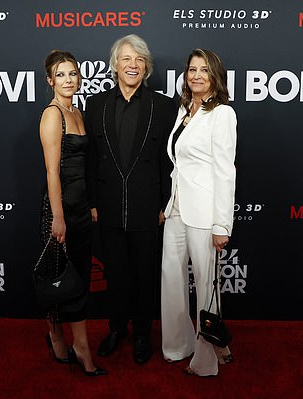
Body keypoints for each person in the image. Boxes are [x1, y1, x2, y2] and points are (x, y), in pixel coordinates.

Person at [85, 34, 177, 364]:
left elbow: (171, 161)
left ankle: (141, 334)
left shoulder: (164, 106)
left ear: (147, 67)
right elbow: (91, 159)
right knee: (117, 274)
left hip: (147, 207)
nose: (133, 65)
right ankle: (116, 329)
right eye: (126, 59)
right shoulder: (95, 106)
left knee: (144, 274)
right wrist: (93, 202)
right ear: (114, 66)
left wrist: (165, 204)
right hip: (108, 207)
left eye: (139, 59)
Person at [160, 49, 237, 377]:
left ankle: (205, 361)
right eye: (192, 69)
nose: (196, 75)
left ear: (215, 76)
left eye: (204, 70)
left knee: (206, 285)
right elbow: (178, 163)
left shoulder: (222, 114)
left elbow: (225, 171)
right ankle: (177, 346)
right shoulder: (183, 109)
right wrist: (169, 204)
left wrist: (222, 222)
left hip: (205, 213)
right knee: (171, 277)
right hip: (177, 208)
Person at [38, 50, 106, 377]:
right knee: (59, 279)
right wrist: (58, 217)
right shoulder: (53, 115)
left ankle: (69, 341)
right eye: (61, 75)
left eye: (73, 74)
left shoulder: (77, 112)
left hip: (81, 209)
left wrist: (89, 205)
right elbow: (52, 172)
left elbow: (86, 166)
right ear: (50, 80)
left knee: (76, 279)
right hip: (60, 210)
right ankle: (63, 339)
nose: (68, 80)